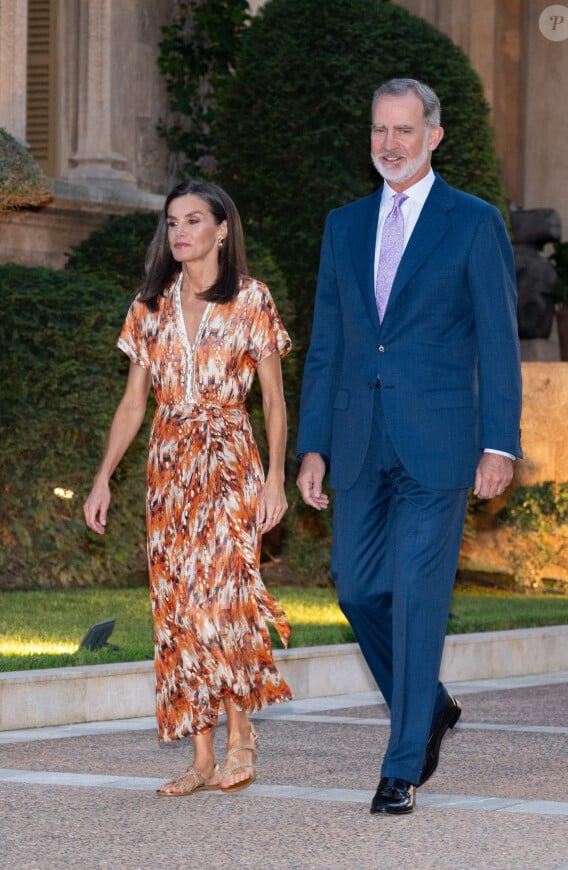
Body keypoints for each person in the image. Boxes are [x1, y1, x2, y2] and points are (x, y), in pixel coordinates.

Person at [296, 79, 522, 815]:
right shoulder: (344, 224)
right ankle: (430, 703)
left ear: (434, 135)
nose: (388, 144)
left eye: (403, 130)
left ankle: (402, 764)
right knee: (358, 589)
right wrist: (313, 446)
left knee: (419, 599)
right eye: (378, 131)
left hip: (441, 441)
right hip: (359, 436)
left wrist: (500, 443)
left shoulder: (473, 222)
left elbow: (499, 340)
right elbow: (328, 341)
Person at [84, 180, 293, 796]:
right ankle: (201, 757)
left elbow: (276, 402)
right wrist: (102, 477)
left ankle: (239, 737)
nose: (179, 232)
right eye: (172, 221)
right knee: (179, 605)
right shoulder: (149, 305)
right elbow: (131, 404)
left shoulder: (252, 299)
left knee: (225, 597)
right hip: (170, 465)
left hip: (230, 457)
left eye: (193, 220)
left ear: (222, 229)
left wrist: (276, 477)